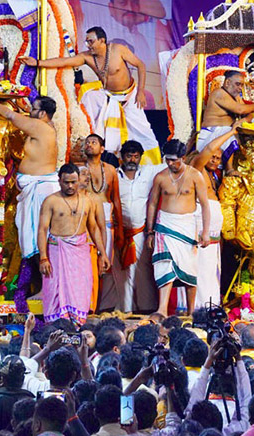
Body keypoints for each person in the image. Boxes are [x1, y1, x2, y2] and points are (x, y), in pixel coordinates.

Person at [24, 27, 157, 161]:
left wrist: (140, 92)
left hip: (130, 96)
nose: (88, 45)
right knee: (90, 104)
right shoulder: (87, 57)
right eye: (87, 42)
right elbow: (64, 61)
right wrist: (37, 63)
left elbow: (141, 65)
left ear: (102, 40)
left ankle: (152, 163)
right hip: (109, 96)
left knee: (143, 131)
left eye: (91, 41)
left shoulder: (118, 49)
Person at [0, 96, 61, 293]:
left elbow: (10, 115)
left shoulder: (41, 127)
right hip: (35, 188)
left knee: (39, 240)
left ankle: (48, 289)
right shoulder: (42, 125)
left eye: (34, 109)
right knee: (33, 239)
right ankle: (44, 288)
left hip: (40, 189)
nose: (30, 111)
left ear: (43, 113)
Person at [146, 138, 211, 315]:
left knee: (189, 269)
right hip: (165, 225)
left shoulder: (195, 175)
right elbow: (152, 204)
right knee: (164, 265)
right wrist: (150, 232)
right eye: (167, 159)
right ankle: (162, 309)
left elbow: (205, 204)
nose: (170, 163)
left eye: (174, 159)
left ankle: (191, 312)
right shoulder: (160, 177)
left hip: (187, 226)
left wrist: (205, 232)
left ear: (182, 157)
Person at [38, 163, 109, 322]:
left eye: (73, 182)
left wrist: (102, 253)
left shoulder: (87, 201)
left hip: (80, 253)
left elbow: (93, 228)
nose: (70, 186)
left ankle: (78, 326)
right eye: (66, 182)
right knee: (54, 289)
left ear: (79, 180)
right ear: (59, 181)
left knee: (81, 289)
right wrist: (43, 258)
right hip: (57, 253)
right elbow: (42, 230)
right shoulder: (51, 201)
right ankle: (57, 328)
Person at [189, 125, 238, 309]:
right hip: (202, 235)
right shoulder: (197, 168)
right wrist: (231, 133)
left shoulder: (214, 176)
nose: (216, 160)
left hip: (214, 238)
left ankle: (211, 307)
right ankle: (200, 309)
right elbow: (208, 149)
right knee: (201, 271)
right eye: (213, 157)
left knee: (211, 272)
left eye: (219, 158)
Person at [112, 140, 164, 312]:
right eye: (129, 156)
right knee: (122, 273)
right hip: (119, 234)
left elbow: (173, 161)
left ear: (141, 158)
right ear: (121, 157)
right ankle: (125, 310)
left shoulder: (149, 173)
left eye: (136, 156)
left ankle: (146, 309)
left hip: (141, 233)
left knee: (144, 271)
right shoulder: (113, 175)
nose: (132, 160)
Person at [81, 134, 126, 312]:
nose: (89, 144)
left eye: (94, 142)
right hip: (86, 222)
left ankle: (102, 308)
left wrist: (120, 229)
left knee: (105, 265)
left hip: (108, 221)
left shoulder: (111, 170)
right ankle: (88, 305)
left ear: (102, 149)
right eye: (87, 142)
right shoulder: (79, 171)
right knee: (89, 265)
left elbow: (115, 200)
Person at [196, 70, 254, 152]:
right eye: (237, 84)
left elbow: (250, 114)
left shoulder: (236, 97)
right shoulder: (218, 93)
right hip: (213, 135)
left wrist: (244, 120)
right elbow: (240, 110)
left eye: (242, 85)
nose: (240, 88)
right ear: (227, 82)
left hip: (228, 134)